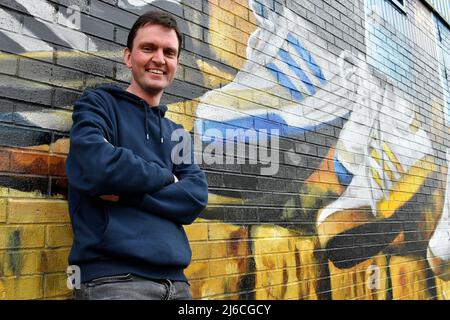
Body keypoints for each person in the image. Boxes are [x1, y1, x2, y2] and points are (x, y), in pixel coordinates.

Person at [65, 10, 208, 300]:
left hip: (179, 285)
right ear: (128, 57)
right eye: (148, 48)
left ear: (176, 63)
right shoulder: (98, 105)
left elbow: (195, 196)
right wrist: (168, 177)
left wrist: (128, 191)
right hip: (113, 281)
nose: (159, 58)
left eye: (169, 52)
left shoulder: (177, 132)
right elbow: (97, 168)